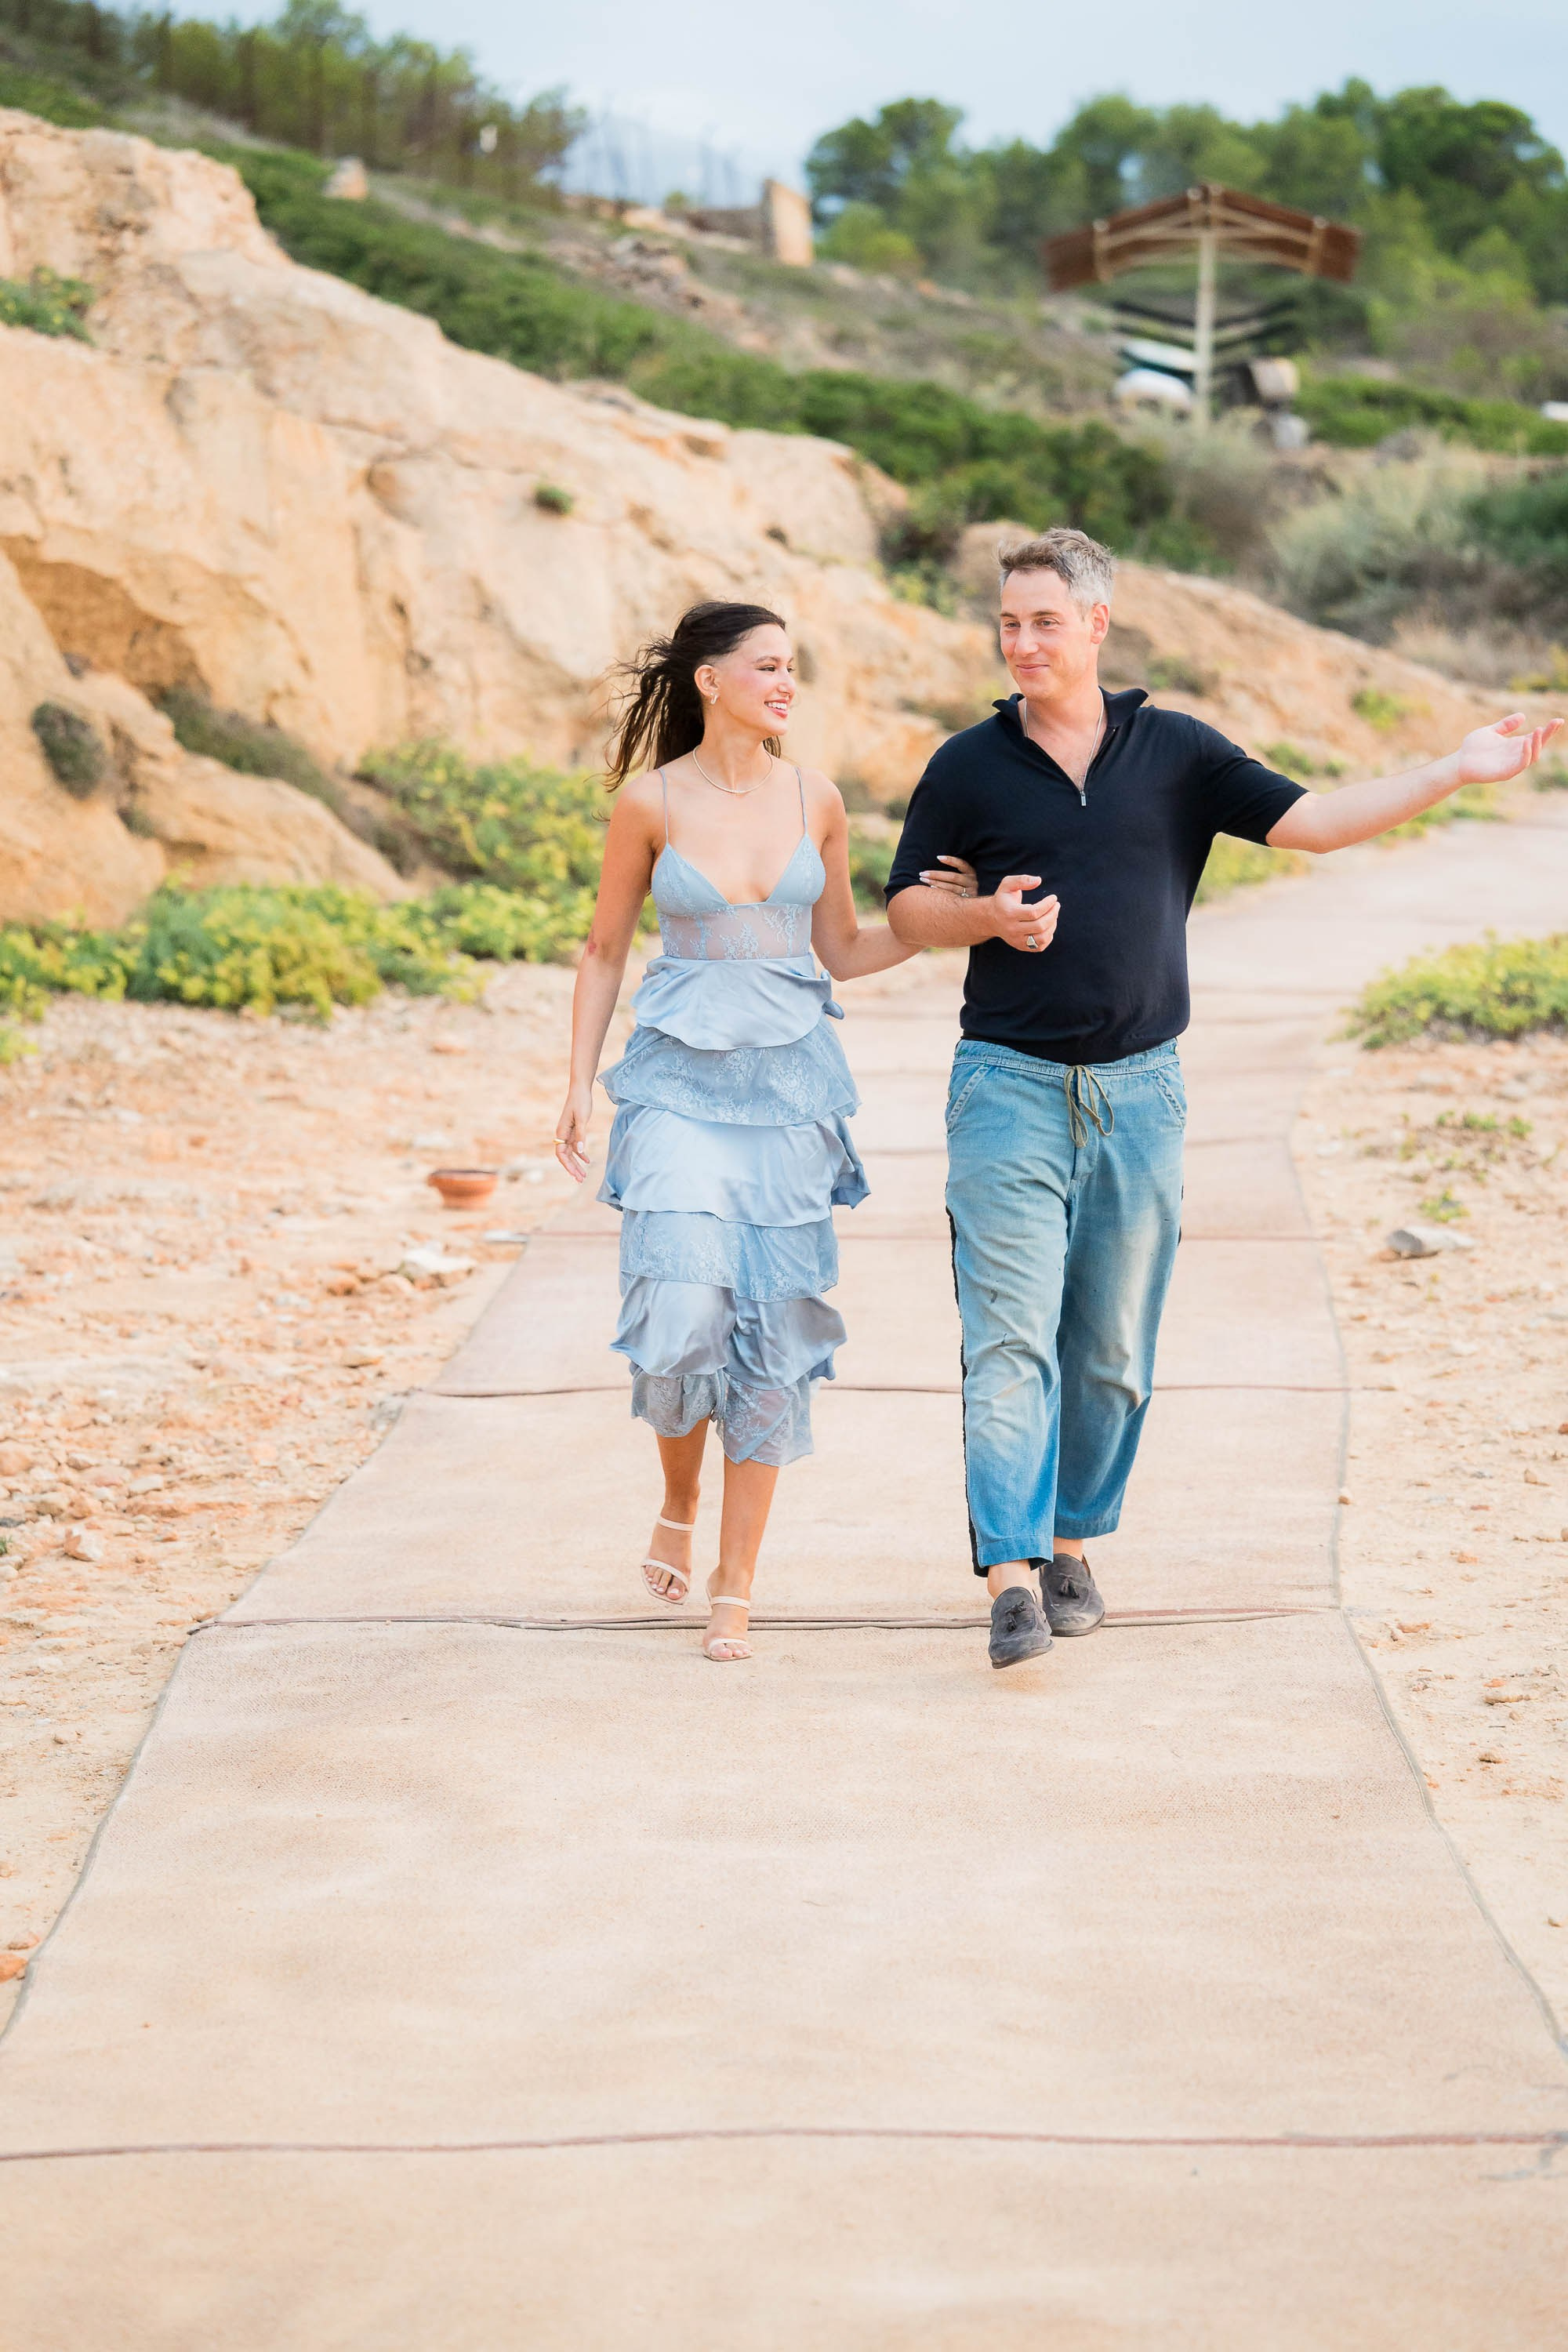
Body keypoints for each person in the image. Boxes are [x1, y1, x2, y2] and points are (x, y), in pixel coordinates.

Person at [886, 527, 1563, 1671]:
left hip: (1143, 1095)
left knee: (1110, 1348)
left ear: (1097, 623)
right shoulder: (966, 767)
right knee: (1008, 1340)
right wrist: (984, 918)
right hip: (1005, 1084)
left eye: (1045, 620)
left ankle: (1070, 1545)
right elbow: (906, 909)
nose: (1022, 641)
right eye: (1008, 621)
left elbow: (1319, 826)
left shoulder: (1178, 754)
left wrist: (1454, 769)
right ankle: (1008, 1575)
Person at [555, 600, 975, 1662]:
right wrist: (575, 1085)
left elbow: (841, 947)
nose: (786, 684)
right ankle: (677, 1497)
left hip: (790, 1094)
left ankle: (737, 1583)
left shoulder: (816, 798)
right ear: (709, 679)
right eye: (768, 666)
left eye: (794, 668)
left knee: (771, 1336)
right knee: (683, 1310)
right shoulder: (648, 803)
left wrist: (948, 923)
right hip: (678, 1088)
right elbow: (605, 949)